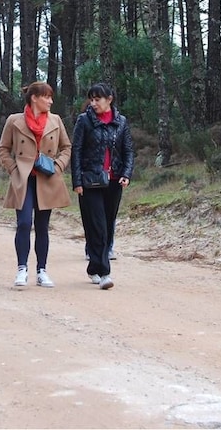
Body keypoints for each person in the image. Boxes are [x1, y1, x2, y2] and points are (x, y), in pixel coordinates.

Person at [0, 81, 71, 289]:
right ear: (34, 98)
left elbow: (66, 147)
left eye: (51, 97)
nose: (50, 101)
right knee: (23, 223)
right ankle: (22, 269)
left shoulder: (55, 120)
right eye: (46, 97)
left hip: (47, 177)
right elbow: (3, 148)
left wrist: (58, 166)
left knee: (42, 226)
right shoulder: (14, 120)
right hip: (24, 178)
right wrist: (13, 169)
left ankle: (41, 271)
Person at [71, 82, 134, 290]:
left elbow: (128, 151)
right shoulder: (84, 120)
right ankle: (105, 272)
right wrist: (77, 181)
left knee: (107, 224)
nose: (94, 103)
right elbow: (76, 151)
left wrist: (126, 174)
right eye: (91, 99)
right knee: (97, 226)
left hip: (114, 181)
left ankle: (94, 268)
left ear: (109, 100)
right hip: (90, 181)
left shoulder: (121, 122)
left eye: (98, 99)